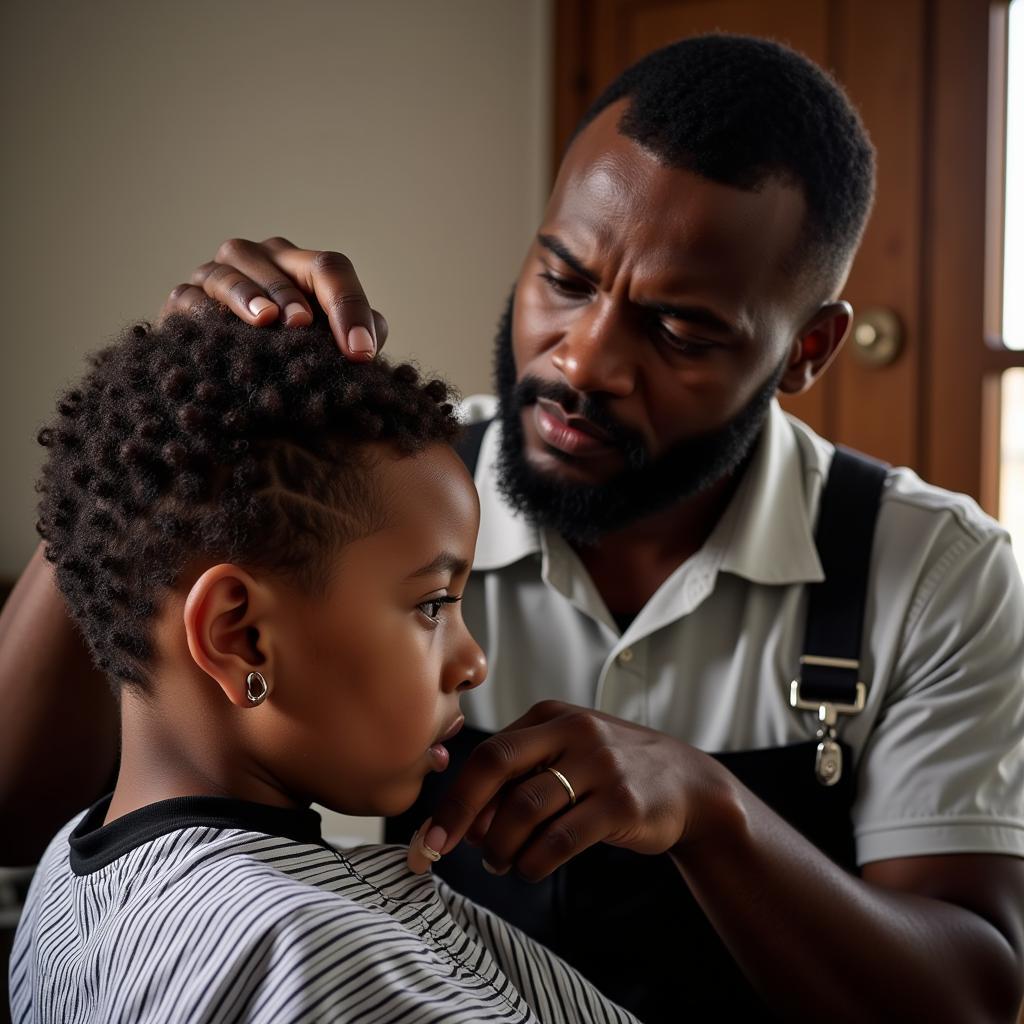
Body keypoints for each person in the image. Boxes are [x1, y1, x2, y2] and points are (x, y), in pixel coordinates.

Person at [2, 32, 1022, 1023]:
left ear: (807, 349)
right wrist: (156, 436)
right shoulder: (375, 503)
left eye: (679, 328)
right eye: (565, 279)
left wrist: (714, 815)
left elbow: (967, 997)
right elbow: (15, 807)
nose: (581, 362)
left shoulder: (936, 574)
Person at [9, 307, 640, 1024]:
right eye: (433, 604)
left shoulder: (71, 865)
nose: (473, 662)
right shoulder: (311, 962)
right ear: (240, 636)